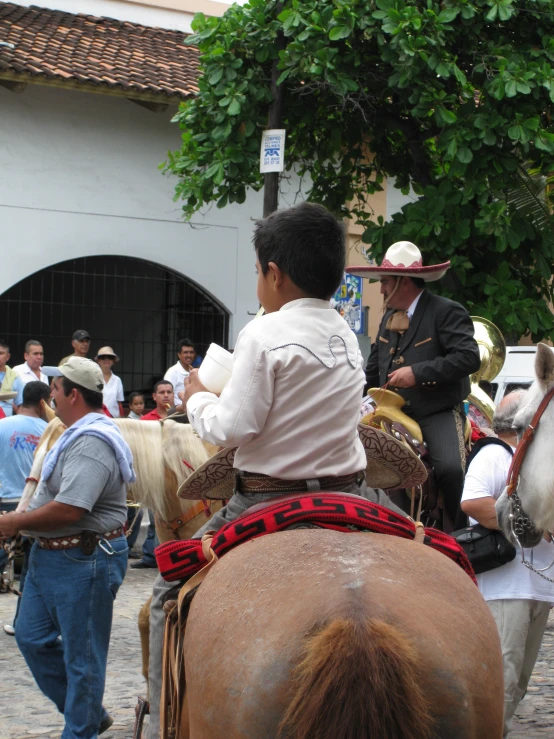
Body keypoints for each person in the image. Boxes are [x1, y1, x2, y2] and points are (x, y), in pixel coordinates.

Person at [145, 202, 404, 739]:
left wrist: (196, 399)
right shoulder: (345, 333)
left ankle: (164, 720)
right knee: (426, 547)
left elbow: (232, 427)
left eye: (257, 271)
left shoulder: (263, 334)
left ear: (274, 273)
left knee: (166, 599)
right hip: (355, 495)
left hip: (265, 500)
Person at [0, 357, 134, 738]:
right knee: (30, 636)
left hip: (84, 558)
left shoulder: (92, 441)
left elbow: (72, 508)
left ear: (73, 394)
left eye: (55, 391)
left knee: (83, 660)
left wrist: (13, 522)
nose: (50, 397)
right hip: (53, 555)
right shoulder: (73, 432)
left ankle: (81, 728)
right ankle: (89, 713)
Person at [350, 241, 481, 530]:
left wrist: (417, 373)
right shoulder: (387, 317)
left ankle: (462, 535)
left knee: (450, 469)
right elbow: (373, 370)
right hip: (387, 410)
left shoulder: (446, 311)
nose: (381, 289)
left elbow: (469, 358)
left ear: (403, 282)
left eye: (385, 283)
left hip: (435, 411)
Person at [461, 391, 554, 737]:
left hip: (538, 588)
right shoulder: (494, 455)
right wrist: (527, 525)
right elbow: (472, 502)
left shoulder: (538, 461)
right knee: (503, 679)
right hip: (506, 586)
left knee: (520, 682)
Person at [0, 381, 51, 633]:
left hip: (4, 502)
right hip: (34, 507)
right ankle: (22, 622)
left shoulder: (2, 426)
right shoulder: (50, 431)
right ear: (43, 403)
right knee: (31, 569)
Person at [12, 340, 48, 407]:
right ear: (26, 356)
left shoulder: (44, 372)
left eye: (41, 354)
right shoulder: (17, 371)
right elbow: (10, 398)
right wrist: (19, 412)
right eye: (35, 354)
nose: (39, 357)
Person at [164, 339, 196, 407]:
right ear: (179, 355)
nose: (189, 355)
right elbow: (166, 395)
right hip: (177, 413)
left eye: (191, 352)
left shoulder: (193, 371)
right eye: (185, 352)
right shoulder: (172, 372)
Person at [95, 346, 124, 418]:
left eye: (110, 357)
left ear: (113, 361)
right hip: (98, 418)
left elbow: (119, 403)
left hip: (114, 419)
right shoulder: (94, 378)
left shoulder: (117, 380)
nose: (106, 359)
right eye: (103, 357)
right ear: (98, 360)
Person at [0, 340, 17, 417]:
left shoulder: (15, 377)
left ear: (8, 357)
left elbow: (21, 405)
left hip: (6, 423)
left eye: (1, 353)